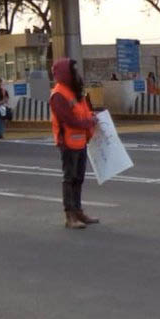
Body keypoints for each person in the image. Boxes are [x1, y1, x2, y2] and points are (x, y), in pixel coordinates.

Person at [48, 59, 98, 228]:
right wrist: (89, 123)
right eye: (73, 71)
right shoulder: (59, 94)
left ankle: (78, 211)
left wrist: (93, 117)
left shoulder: (75, 92)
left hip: (81, 141)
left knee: (79, 178)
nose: (77, 75)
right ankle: (70, 216)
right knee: (69, 179)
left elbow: (84, 111)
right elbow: (68, 119)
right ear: (65, 73)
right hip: (68, 143)